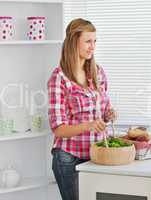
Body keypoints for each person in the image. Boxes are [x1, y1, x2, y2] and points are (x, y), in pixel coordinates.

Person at [47, 18, 116, 200]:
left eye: (94, 41)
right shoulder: (59, 78)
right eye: (87, 41)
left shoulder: (98, 73)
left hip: (96, 155)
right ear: (73, 42)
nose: (92, 46)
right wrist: (89, 125)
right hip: (69, 158)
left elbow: (100, 113)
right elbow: (58, 129)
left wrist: (108, 115)